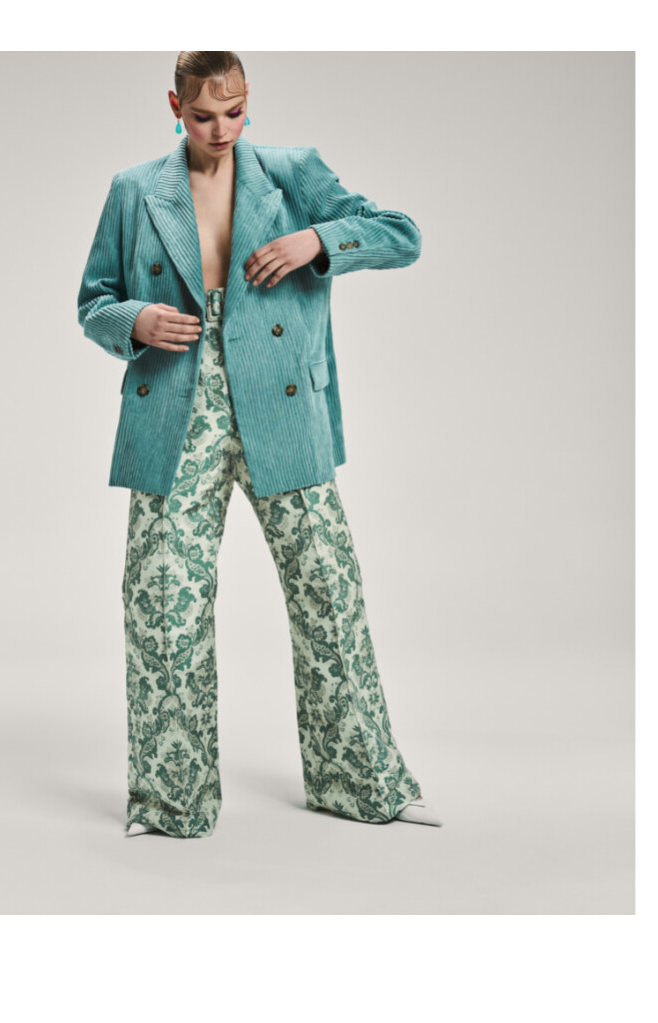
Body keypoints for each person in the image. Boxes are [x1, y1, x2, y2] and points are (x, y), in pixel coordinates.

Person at [78, 51, 442, 837]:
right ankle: (170, 802)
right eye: (203, 115)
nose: (221, 130)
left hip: (280, 406)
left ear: (249, 101)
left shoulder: (291, 171)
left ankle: (361, 783)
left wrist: (316, 240)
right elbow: (93, 301)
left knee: (329, 593)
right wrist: (135, 321)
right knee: (163, 605)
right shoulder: (135, 189)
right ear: (174, 105)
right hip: (177, 409)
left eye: (235, 112)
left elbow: (402, 235)